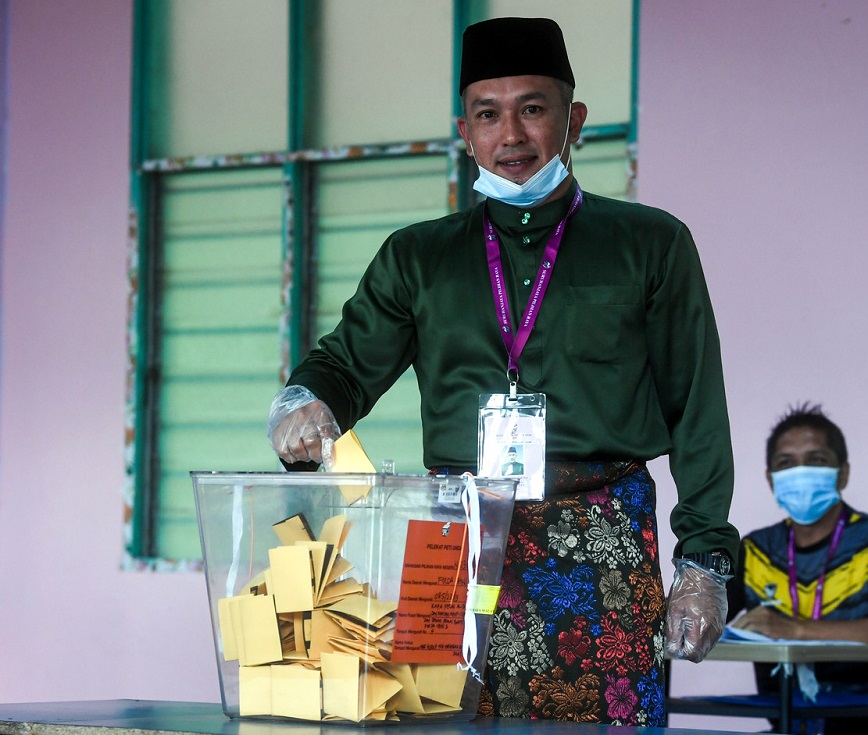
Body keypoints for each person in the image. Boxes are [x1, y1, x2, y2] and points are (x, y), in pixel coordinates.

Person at [267, 16, 739, 726]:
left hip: (599, 540)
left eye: (533, 108)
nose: (511, 135)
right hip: (450, 538)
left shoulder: (651, 245)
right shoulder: (417, 258)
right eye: (489, 114)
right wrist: (307, 402)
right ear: (466, 130)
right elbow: (345, 366)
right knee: (440, 720)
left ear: (573, 119)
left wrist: (702, 562)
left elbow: (697, 411)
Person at [728, 403, 868, 735]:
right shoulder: (753, 550)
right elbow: (696, 622)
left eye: (817, 460)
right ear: (770, 478)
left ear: (843, 472)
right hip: (789, 726)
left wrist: (794, 629)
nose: (800, 472)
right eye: (785, 463)